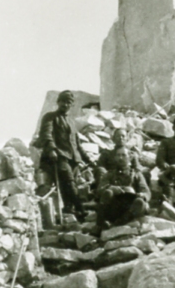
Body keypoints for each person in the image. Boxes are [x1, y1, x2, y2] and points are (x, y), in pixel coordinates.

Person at [36, 90, 92, 221]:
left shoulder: (72, 122)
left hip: (73, 159)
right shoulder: (50, 117)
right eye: (63, 101)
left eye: (69, 102)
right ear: (58, 102)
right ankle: (81, 210)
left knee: (69, 185)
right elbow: (46, 134)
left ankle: (69, 210)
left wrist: (88, 159)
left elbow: (77, 144)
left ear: (71, 105)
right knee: (69, 182)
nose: (65, 104)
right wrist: (51, 150)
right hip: (58, 156)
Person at [95, 129, 151, 227]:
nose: (121, 158)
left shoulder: (136, 174)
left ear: (129, 158)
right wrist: (111, 188)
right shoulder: (109, 174)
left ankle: (120, 221)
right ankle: (100, 224)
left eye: (124, 155)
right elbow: (100, 189)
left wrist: (142, 195)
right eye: (118, 155)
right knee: (107, 193)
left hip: (130, 206)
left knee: (140, 202)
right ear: (115, 158)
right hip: (115, 205)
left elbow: (146, 191)